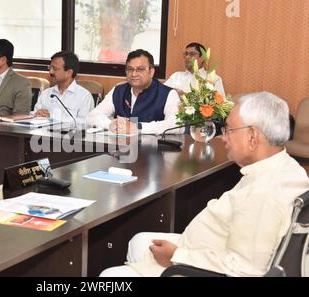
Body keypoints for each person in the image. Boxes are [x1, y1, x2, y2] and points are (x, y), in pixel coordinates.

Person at [100, 92, 309, 277]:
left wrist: (177, 256)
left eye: (229, 130)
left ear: (252, 137)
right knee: (139, 241)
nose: (223, 138)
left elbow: (245, 270)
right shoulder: (287, 167)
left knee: (109, 275)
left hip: (200, 266)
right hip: (212, 247)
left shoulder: (263, 194)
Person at [86, 49, 180, 135]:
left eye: (140, 69)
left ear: (151, 72)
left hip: (153, 150)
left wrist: (137, 127)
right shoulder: (119, 90)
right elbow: (92, 117)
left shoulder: (168, 94)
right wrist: (111, 124)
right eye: (130, 69)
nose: (134, 74)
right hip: (120, 149)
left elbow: (176, 125)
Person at [33, 51, 94, 126]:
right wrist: (37, 114)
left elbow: (84, 123)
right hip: (43, 135)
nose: (50, 72)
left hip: (71, 137)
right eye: (50, 68)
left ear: (69, 72)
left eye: (54, 68)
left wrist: (52, 117)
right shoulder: (46, 93)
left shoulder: (84, 96)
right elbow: (33, 115)